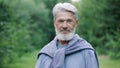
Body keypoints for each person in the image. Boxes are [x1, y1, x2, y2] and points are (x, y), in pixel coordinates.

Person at [35, 2, 99, 68]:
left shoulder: (87, 52)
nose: (64, 26)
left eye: (69, 21)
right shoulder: (45, 54)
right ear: (54, 23)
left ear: (76, 23)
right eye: (60, 21)